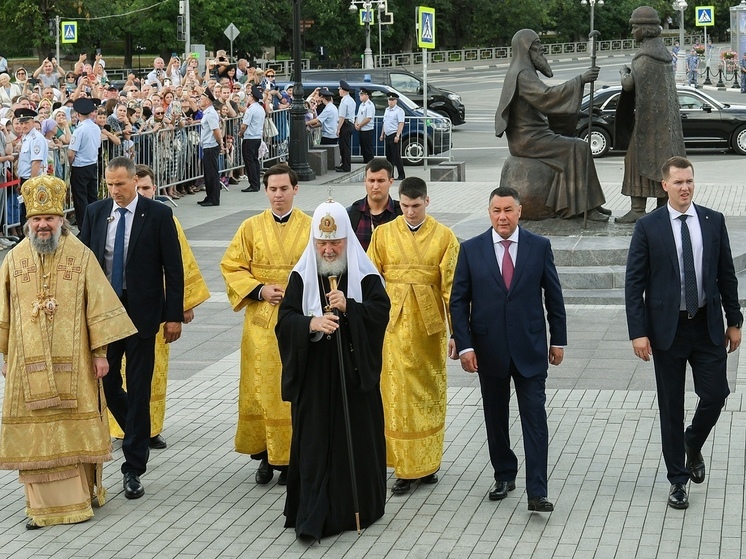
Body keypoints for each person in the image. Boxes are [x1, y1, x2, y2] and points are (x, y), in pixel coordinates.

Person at [0, 175, 136, 529]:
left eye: (49, 218)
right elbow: (3, 315)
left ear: (62, 220)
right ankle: (39, 508)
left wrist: (101, 353)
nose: (43, 225)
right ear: (28, 222)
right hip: (26, 367)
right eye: (36, 219)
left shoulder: (81, 255)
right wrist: (5, 357)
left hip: (74, 364)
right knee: (36, 434)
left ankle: (79, 498)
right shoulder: (13, 260)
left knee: (73, 429)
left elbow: (99, 308)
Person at [624, 156, 742, 510]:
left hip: (706, 325)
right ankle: (677, 480)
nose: (686, 187)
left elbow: (727, 275)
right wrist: (638, 332)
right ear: (665, 186)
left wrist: (734, 320)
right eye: (678, 182)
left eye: (689, 181)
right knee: (671, 406)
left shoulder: (713, 220)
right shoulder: (648, 227)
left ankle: (693, 442)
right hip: (666, 331)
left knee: (716, 393)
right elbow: (634, 283)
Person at [276, 198, 390, 540]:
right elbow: (285, 321)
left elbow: (380, 312)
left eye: (334, 242)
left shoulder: (365, 273)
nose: (328, 250)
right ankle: (312, 514)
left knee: (354, 442)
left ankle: (357, 507)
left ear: (347, 241)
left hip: (353, 378)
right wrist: (311, 322)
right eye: (322, 243)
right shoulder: (301, 274)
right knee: (313, 443)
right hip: (314, 376)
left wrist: (350, 308)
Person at [450, 186, 567, 512]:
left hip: (530, 349)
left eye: (508, 210)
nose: (503, 216)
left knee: (535, 419)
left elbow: (553, 297)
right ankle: (504, 473)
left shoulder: (539, 246)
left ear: (519, 211)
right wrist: (465, 345)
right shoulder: (471, 250)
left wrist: (558, 339)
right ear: (489, 213)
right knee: (495, 417)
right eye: (497, 211)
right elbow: (458, 302)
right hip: (488, 351)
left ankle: (537, 491)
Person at [79, 156, 184, 500]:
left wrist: (173, 316)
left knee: (139, 388)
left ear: (135, 180)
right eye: (109, 185)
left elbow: (173, 266)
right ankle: (137, 430)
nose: (115, 191)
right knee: (107, 384)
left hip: (142, 317)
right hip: (105, 317)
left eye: (120, 184)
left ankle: (133, 468)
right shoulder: (96, 213)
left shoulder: (157, 214)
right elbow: (81, 257)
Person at [220, 164, 311, 486]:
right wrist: (260, 289)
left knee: (292, 387)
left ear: (295, 190)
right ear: (266, 191)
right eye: (272, 189)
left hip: (297, 320)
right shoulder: (250, 227)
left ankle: (290, 459)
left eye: (284, 189)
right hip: (260, 322)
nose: (278, 195)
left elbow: (324, 267)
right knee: (260, 388)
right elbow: (232, 265)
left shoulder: (312, 228)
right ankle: (264, 457)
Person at [368, 177, 459, 495]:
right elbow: (368, 279)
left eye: (416, 206)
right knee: (396, 396)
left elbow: (452, 290)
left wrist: (457, 332)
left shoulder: (445, 237)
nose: (410, 212)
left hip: (427, 328)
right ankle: (404, 466)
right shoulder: (382, 233)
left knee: (427, 395)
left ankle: (428, 462)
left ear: (427, 202)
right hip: (392, 327)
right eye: (405, 206)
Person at [107, 165, 210, 449]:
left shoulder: (163, 218)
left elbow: (179, 266)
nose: (139, 193)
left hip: (153, 310)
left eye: (146, 189)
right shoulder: (104, 214)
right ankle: (128, 428)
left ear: (152, 188)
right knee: (111, 376)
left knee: (146, 380)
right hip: (113, 312)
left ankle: (147, 430)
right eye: (111, 185)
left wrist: (179, 309)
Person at [494, 29, 608, 222]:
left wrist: (580, 113)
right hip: (528, 139)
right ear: (526, 49)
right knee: (579, 147)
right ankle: (586, 207)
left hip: (532, 135)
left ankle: (587, 204)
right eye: (537, 46)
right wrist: (580, 80)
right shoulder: (523, 74)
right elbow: (546, 97)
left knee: (575, 146)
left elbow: (541, 108)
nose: (542, 50)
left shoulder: (523, 71)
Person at [614, 7, 686, 224]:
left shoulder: (645, 56)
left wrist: (624, 72)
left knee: (634, 159)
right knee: (664, 161)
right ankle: (663, 205)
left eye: (635, 27)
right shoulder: (662, 54)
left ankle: (638, 209)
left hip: (647, 124)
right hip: (665, 124)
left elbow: (629, 86)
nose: (632, 31)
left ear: (645, 29)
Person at [347, 158, 402, 251]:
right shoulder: (351, 214)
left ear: (391, 182)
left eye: (380, 181)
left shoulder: (401, 213)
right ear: (365, 181)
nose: (375, 186)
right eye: (371, 181)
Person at [67, 98, 101, 230]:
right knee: (92, 197)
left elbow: (71, 153)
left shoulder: (79, 130)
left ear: (78, 114)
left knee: (81, 200)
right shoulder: (96, 127)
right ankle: (95, 225)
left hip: (80, 166)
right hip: (92, 165)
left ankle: (84, 228)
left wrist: (70, 165)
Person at [15, 107, 48, 234]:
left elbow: (36, 163)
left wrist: (31, 183)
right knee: (25, 211)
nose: (23, 126)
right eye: (21, 123)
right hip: (25, 179)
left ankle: (29, 239)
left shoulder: (36, 138)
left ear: (33, 122)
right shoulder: (26, 137)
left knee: (30, 212)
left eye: (26, 122)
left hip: (33, 180)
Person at [198, 88, 223, 207]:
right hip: (208, 146)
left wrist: (220, 143)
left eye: (202, 99)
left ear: (207, 101)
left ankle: (214, 199)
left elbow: (216, 131)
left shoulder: (210, 114)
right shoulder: (207, 113)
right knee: (208, 173)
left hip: (211, 146)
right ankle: (209, 196)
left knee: (212, 174)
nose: (200, 100)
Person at [239, 85, 265, 193]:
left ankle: (253, 184)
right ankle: (256, 183)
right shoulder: (260, 109)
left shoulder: (251, 109)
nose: (247, 97)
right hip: (257, 137)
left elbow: (244, 125)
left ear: (252, 97)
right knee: (255, 160)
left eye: (249, 95)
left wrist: (241, 133)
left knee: (249, 161)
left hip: (249, 137)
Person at [380, 92, 405, 180]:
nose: (390, 102)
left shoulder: (399, 111)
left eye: (392, 100)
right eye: (389, 100)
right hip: (387, 134)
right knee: (389, 157)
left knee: (396, 156)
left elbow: (401, 124)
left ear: (396, 101)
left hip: (394, 134)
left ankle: (401, 174)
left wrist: (397, 135)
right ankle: (391, 174)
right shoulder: (387, 110)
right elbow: (385, 122)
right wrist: (382, 134)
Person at [336, 80, 355, 172]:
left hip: (345, 125)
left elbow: (342, 117)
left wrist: (338, 129)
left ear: (342, 90)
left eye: (339, 89)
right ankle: (345, 165)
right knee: (346, 146)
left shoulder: (344, 101)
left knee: (344, 147)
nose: (339, 91)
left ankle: (346, 166)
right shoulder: (351, 100)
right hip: (350, 124)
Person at [355, 87, 376, 163]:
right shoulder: (361, 105)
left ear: (367, 95)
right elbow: (358, 116)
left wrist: (359, 125)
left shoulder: (369, 105)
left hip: (367, 130)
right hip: (361, 130)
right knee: (363, 149)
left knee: (368, 149)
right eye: (360, 94)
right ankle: (365, 163)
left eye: (362, 94)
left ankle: (370, 164)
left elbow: (368, 118)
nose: (360, 96)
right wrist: (356, 124)